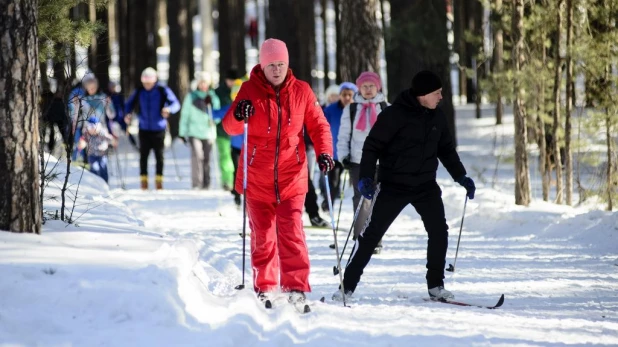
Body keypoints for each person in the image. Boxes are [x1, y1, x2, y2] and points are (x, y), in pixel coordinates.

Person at [332, 70, 476, 302]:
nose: (441, 97)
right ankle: (346, 287)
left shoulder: (437, 117)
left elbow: (447, 151)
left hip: (425, 185)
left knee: (439, 231)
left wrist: (461, 177)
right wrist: (366, 177)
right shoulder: (394, 115)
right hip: (393, 185)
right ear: (423, 94)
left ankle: (436, 285)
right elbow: (372, 146)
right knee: (371, 235)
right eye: (437, 93)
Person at [222, 38, 333, 304]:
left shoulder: (302, 91)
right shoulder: (249, 90)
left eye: (281, 64)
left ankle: (295, 286)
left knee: (292, 233)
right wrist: (239, 113)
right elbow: (230, 128)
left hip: (292, 176)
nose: (277, 69)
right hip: (257, 178)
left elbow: (319, 126)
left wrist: (324, 152)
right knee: (263, 237)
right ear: (262, 64)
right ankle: (265, 285)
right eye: (271, 64)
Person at [337, 71, 389, 254]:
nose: (368, 90)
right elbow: (343, 135)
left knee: (378, 199)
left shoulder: (386, 108)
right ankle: (360, 237)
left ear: (378, 87)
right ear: (359, 88)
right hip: (358, 161)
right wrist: (342, 155)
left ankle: (376, 239)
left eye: (371, 86)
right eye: (364, 86)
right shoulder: (351, 109)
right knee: (361, 198)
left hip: (380, 162)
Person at [124, 67, 181, 190]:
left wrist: (168, 109)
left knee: (159, 156)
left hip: (159, 128)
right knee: (143, 156)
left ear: (154, 81)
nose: (147, 85)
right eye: (145, 83)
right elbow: (128, 104)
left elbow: (176, 104)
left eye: (149, 83)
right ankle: (143, 181)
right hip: (144, 127)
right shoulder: (139, 91)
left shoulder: (162, 90)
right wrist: (127, 114)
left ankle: (159, 180)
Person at [320, 82, 357, 213]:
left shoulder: (357, 109)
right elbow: (321, 127)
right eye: (344, 94)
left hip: (352, 154)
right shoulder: (330, 110)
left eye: (350, 95)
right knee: (333, 182)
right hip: (334, 153)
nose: (347, 97)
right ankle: (328, 202)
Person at [180, 72, 221, 189]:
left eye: (205, 82)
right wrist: (182, 133)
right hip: (194, 132)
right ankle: (196, 183)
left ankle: (206, 183)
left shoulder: (213, 97)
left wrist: (214, 120)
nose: (203, 85)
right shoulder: (191, 97)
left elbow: (217, 114)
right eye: (201, 82)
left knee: (207, 158)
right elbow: (185, 115)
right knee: (197, 156)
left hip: (208, 132)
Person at [214, 68, 240, 191]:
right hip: (222, 131)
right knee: (225, 157)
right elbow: (214, 111)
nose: (232, 83)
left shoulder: (242, 89)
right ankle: (227, 181)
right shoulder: (219, 92)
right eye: (230, 80)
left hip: (238, 133)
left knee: (236, 159)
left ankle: (238, 182)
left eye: (234, 81)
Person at [77, 116, 117, 183]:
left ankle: (105, 184)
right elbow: (83, 141)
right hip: (92, 155)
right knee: (94, 168)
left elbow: (110, 140)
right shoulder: (87, 134)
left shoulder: (102, 133)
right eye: (89, 127)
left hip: (102, 155)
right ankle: (95, 184)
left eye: (93, 126)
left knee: (103, 169)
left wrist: (110, 142)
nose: (91, 129)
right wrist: (81, 144)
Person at [107, 81, 139, 151]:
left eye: (114, 87)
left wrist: (125, 115)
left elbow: (124, 106)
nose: (113, 88)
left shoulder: (119, 96)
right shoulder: (108, 97)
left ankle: (134, 144)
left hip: (121, 117)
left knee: (127, 131)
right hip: (113, 118)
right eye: (111, 87)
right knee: (111, 132)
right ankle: (111, 146)